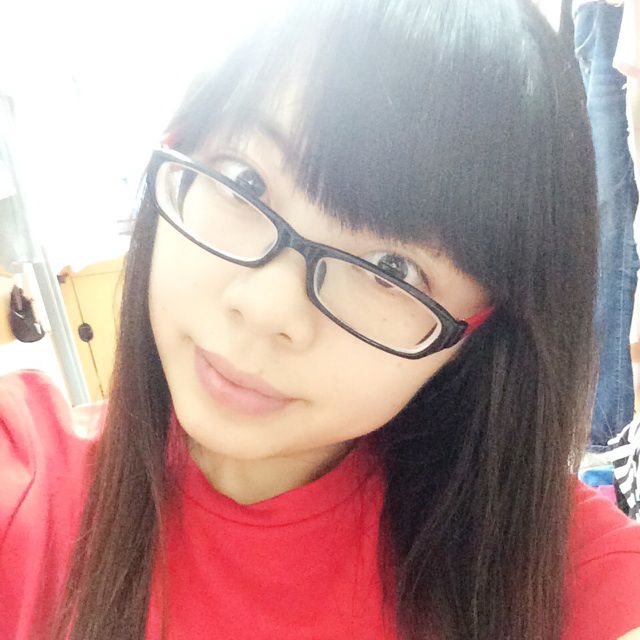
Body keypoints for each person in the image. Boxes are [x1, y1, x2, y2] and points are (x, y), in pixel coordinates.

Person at [2, 0, 640, 638]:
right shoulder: (28, 480)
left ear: (480, 332)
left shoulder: (560, 574)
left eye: (391, 269)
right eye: (245, 183)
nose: (265, 308)